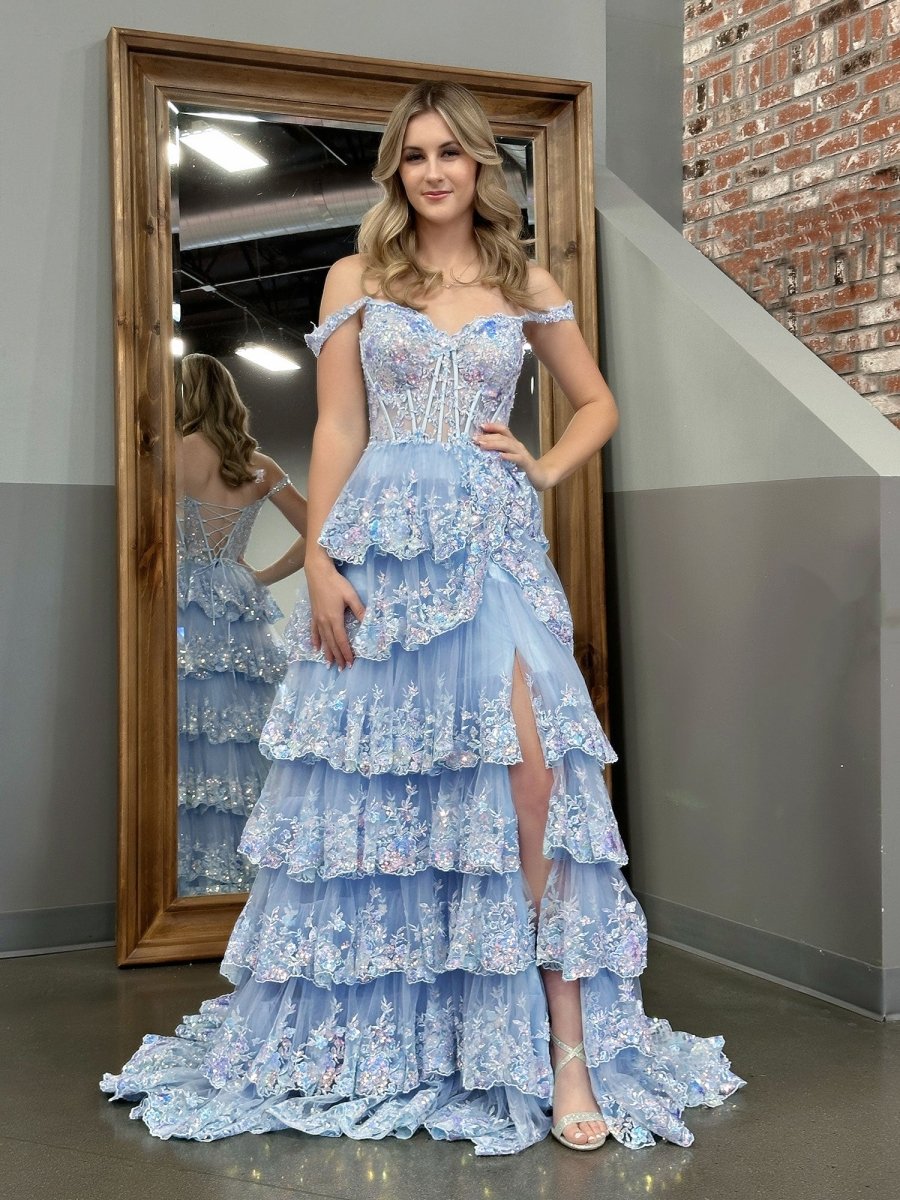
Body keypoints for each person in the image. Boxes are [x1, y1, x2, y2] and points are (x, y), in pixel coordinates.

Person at [102, 82, 744, 1153]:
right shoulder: (357, 276)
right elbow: (339, 426)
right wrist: (319, 558)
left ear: (481, 165)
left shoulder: (523, 280)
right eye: (414, 155)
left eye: (451, 152)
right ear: (395, 170)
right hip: (383, 547)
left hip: (493, 547)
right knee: (391, 783)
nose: (434, 171)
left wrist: (543, 465)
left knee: (536, 785)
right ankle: (410, 1031)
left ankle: (562, 1048)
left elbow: (598, 402)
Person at [175, 353, 308, 895]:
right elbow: (321, 530)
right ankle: (248, 874)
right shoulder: (260, 465)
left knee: (187, 726)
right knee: (239, 729)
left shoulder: (172, 453)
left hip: (182, 597)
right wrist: (262, 576)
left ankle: (187, 869)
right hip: (236, 599)